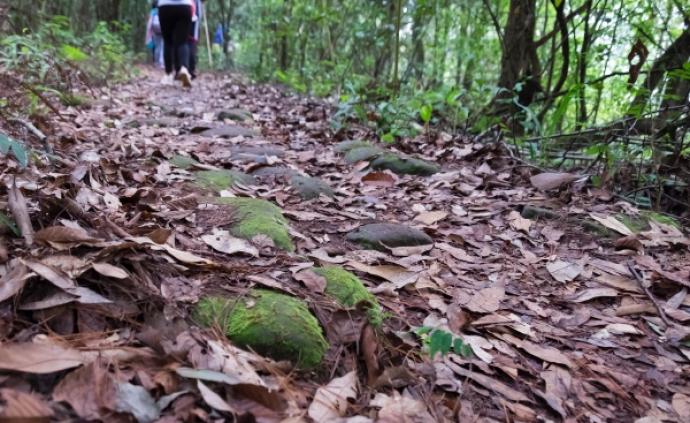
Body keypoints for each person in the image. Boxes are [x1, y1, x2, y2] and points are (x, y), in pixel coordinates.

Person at [158, 0, 194, 87]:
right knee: (183, 41)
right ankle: (184, 68)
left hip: (165, 6)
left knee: (168, 41)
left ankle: (168, 75)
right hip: (184, 6)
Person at [145, 1, 164, 69]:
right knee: (163, 46)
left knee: (157, 47)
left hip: (155, 30)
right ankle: (162, 63)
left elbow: (150, 23)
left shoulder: (153, 11)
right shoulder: (164, 9)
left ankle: (156, 62)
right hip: (164, 29)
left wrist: (149, 32)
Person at [188, 0, 202, 79]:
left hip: (182, 8)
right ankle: (190, 69)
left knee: (183, 41)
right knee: (191, 41)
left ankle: (183, 69)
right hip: (193, 12)